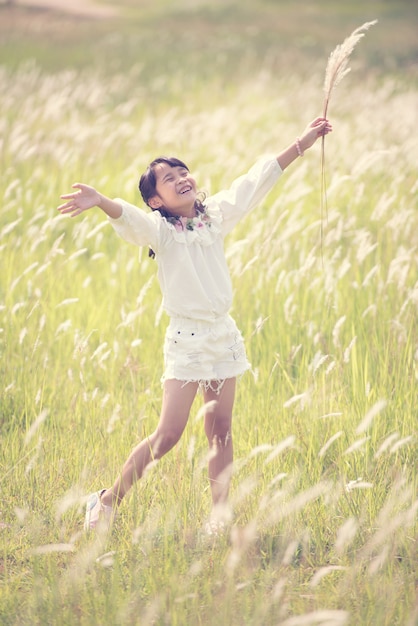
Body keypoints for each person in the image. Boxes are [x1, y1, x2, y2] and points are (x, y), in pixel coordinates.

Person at [58, 116, 332, 533]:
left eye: (183, 171)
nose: (181, 178)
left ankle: (219, 517)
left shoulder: (214, 217)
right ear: (157, 200)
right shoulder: (161, 232)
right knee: (168, 434)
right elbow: (130, 219)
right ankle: (107, 499)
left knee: (220, 429)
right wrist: (101, 201)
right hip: (186, 340)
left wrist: (302, 143)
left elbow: (253, 183)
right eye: (168, 178)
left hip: (222, 336)